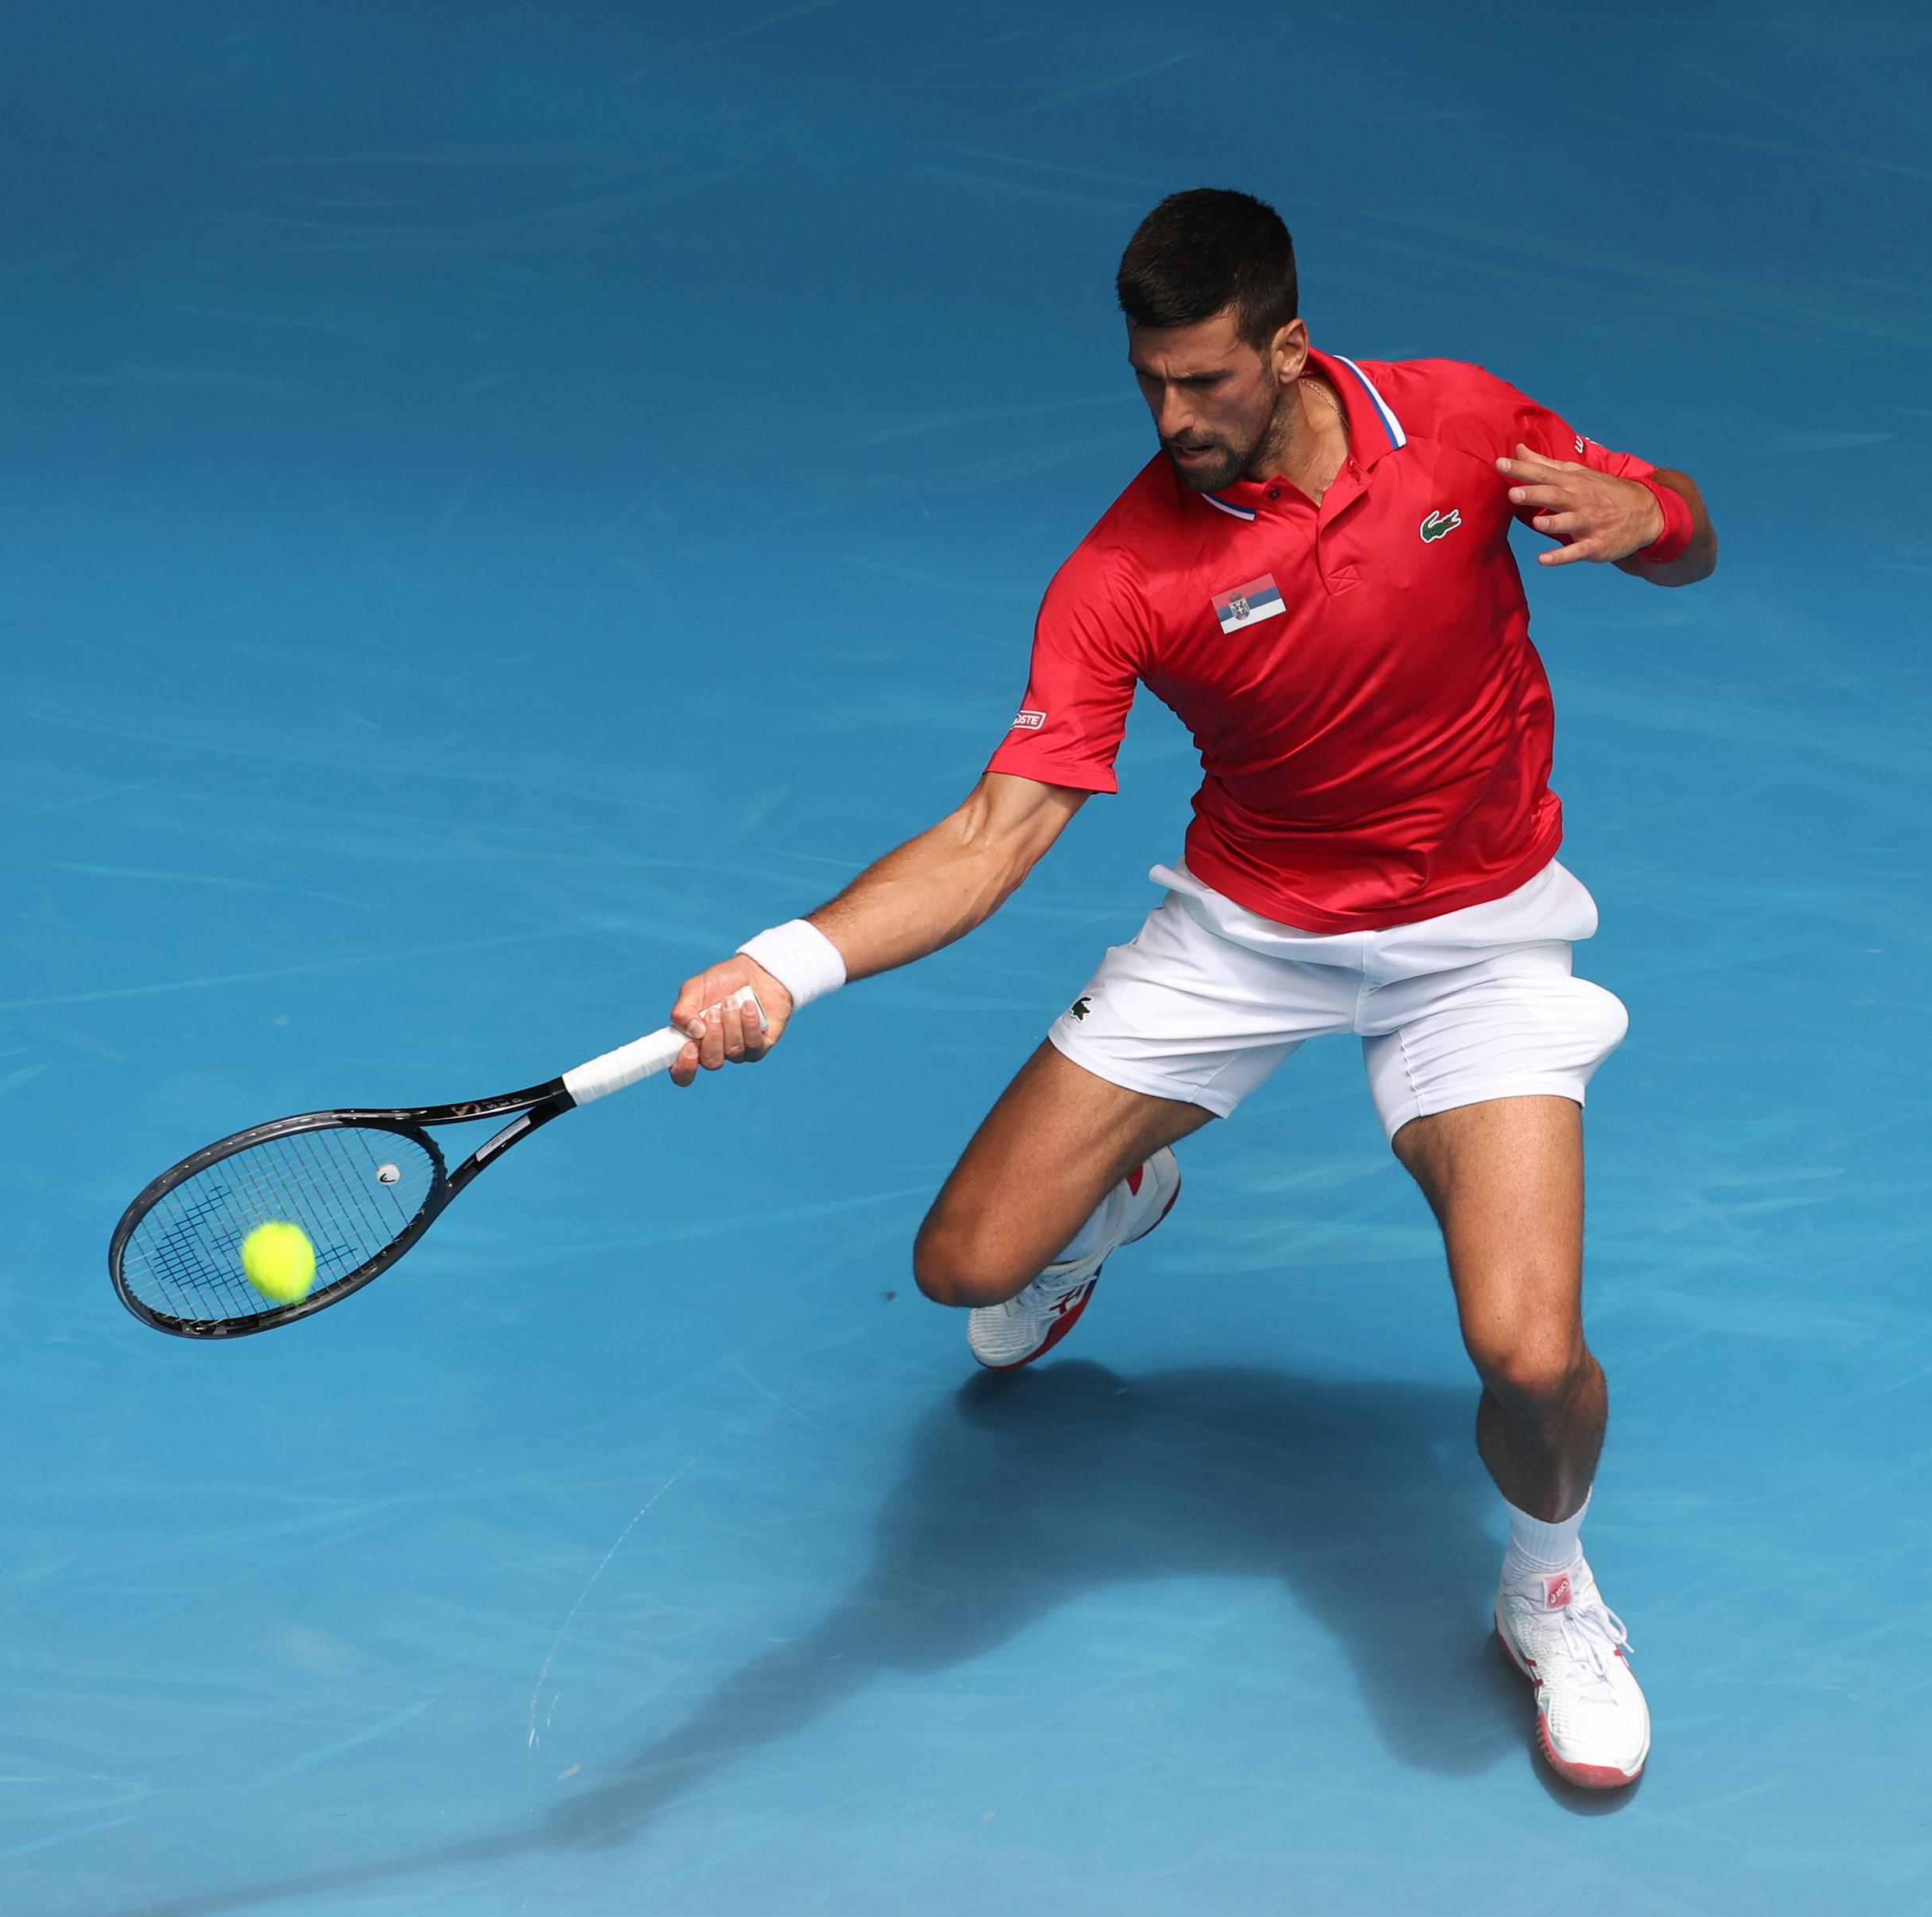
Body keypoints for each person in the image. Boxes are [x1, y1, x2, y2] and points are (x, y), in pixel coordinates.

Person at [660, 188, 1715, 1788]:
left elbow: (1679, 525)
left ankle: (1550, 1585)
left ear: (1290, 346)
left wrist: (1658, 527)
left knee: (1530, 1352)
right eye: (1149, 382)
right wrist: (782, 963)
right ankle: (1122, 1183)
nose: (1172, 418)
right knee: (966, 1265)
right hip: (1246, 927)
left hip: (1478, 941)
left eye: (1205, 382)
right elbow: (994, 832)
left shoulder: (1455, 421)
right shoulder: (1125, 571)